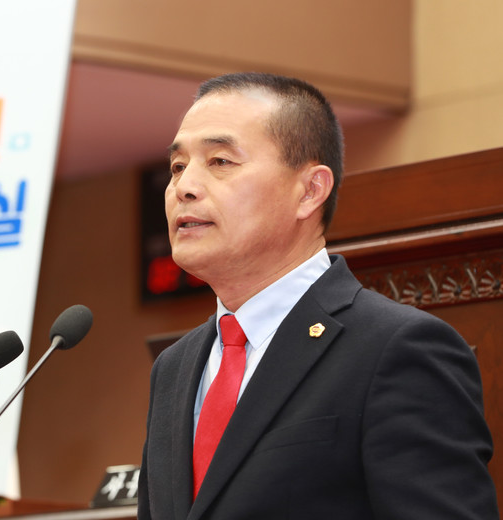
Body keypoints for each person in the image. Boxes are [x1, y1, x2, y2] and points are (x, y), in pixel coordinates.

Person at [137, 72, 499, 519]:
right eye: (177, 167)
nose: (184, 187)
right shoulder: (173, 367)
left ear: (310, 191)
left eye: (220, 161)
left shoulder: (397, 348)